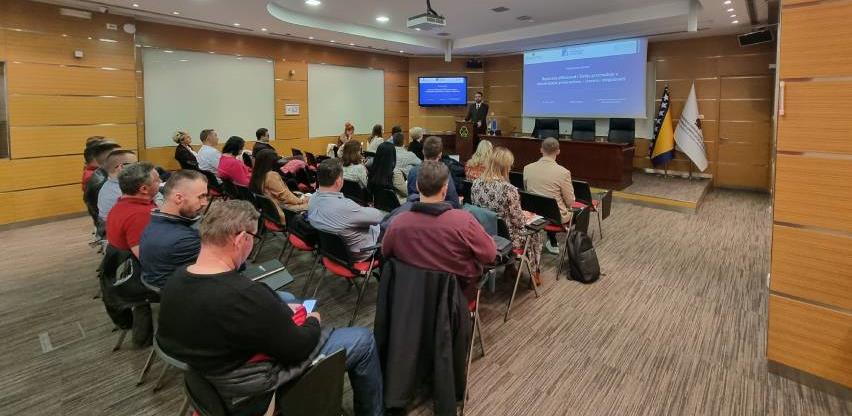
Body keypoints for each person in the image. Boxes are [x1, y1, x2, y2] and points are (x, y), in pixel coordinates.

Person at [157, 200, 384, 416]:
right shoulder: (246, 296)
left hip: (212, 378)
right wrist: (312, 320)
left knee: (287, 299)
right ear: (241, 239)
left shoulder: (175, 280)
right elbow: (299, 348)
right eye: (254, 237)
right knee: (363, 340)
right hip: (253, 385)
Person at [383, 161, 496, 298]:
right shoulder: (465, 221)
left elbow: (386, 253)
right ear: (445, 188)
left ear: (417, 186)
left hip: (411, 297)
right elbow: (490, 255)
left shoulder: (397, 223)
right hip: (455, 298)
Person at [472, 146, 542, 285]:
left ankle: (510, 268)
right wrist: (527, 216)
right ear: (504, 167)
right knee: (535, 233)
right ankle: (534, 274)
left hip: (485, 233)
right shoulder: (509, 189)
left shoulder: (476, 184)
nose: (510, 169)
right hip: (507, 238)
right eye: (509, 166)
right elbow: (518, 222)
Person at [139, 170, 208, 289]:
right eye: (200, 197)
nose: (205, 203)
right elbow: (224, 265)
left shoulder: (152, 224)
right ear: (179, 198)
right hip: (182, 293)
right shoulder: (186, 240)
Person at [308, 159, 384, 261]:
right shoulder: (346, 207)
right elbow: (379, 217)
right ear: (338, 181)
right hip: (361, 253)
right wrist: (364, 208)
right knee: (391, 222)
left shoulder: (312, 199)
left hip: (331, 252)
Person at [523, 137, 575, 254]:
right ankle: (576, 247)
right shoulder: (563, 172)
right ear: (558, 151)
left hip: (534, 214)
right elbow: (570, 202)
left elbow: (527, 191)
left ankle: (552, 241)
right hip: (555, 218)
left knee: (545, 202)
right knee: (580, 212)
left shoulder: (527, 168)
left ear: (541, 150)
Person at [105, 162, 161, 259]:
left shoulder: (120, 205)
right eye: (157, 180)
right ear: (144, 189)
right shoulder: (141, 215)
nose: (161, 181)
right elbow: (147, 258)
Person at [249, 149, 309, 214]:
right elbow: (285, 196)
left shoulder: (257, 174)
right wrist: (302, 201)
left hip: (273, 209)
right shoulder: (271, 176)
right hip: (284, 209)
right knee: (314, 205)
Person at [407, 136, 460, 208]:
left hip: (416, 209)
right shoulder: (444, 172)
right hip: (441, 211)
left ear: (423, 151)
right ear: (440, 154)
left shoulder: (413, 172)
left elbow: (410, 198)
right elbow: (454, 202)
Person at [97, 150, 138, 222]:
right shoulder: (117, 192)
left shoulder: (113, 185)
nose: (139, 168)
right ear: (121, 167)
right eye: (135, 165)